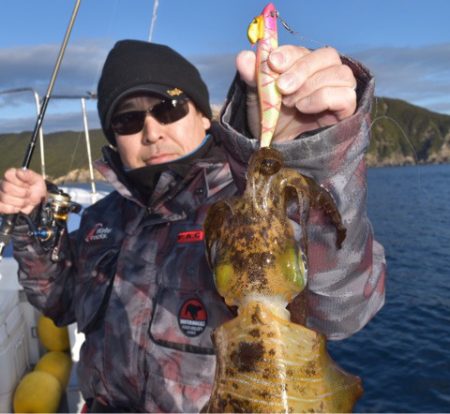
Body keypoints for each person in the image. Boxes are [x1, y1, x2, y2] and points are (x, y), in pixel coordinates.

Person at [0, 39, 386, 412]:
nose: (152, 131)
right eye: (128, 119)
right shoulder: (102, 219)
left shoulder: (239, 203)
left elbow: (343, 307)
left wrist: (309, 159)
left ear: (204, 115)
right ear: (114, 137)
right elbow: (59, 301)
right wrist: (34, 220)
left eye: (169, 107)